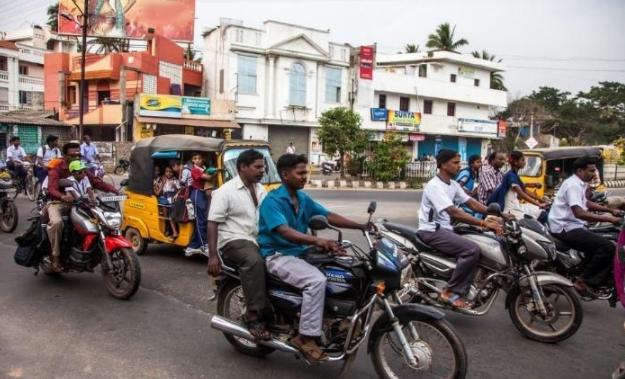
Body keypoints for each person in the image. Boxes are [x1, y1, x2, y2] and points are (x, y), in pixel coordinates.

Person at [257, 153, 372, 362]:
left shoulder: (302, 198)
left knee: (342, 269)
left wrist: (362, 226)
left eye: (305, 172)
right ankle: (305, 337)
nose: (304, 177)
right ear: (285, 174)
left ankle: (335, 321)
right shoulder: (272, 201)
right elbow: (285, 231)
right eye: (300, 173)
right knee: (315, 281)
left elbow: (328, 216)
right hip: (278, 254)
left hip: (299, 252)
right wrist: (317, 241)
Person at [417, 149, 503, 309]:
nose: (459, 166)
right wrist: (484, 224)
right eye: (455, 163)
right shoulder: (434, 186)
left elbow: (471, 202)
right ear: (443, 165)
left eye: (459, 163)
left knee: (482, 239)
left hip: (447, 228)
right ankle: (449, 292)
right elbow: (454, 212)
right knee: (471, 250)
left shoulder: (453, 184)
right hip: (431, 231)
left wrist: (498, 214)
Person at [207, 149, 270, 340]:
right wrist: (212, 256)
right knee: (254, 261)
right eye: (257, 167)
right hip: (233, 239)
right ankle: (252, 315)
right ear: (242, 167)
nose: (262, 171)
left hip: (256, 238)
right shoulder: (226, 191)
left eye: (263, 167)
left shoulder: (261, 189)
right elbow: (212, 222)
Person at [548, 156, 623, 295]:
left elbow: (586, 203)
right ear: (580, 171)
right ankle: (584, 281)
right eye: (591, 170)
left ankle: (584, 273)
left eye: (594, 170)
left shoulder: (579, 183)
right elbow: (579, 212)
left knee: (600, 242)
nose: (594, 174)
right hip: (565, 227)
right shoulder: (573, 185)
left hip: (573, 225)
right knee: (607, 247)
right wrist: (609, 218)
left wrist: (611, 210)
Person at [47, 142, 118, 272]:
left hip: (81, 203)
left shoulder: (82, 168)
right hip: (59, 203)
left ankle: (91, 251)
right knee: (57, 223)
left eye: (78, 154)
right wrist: (63, 196)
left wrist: (115, 190)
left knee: (102, 220)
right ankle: (55, 257)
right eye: (73, 154)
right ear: (65, 155)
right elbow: (51, 188)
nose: (76, 156)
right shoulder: (56, 169)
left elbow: (96, 182)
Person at [488, 151, 548, 221]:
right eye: (522, 160)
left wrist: (541, 200)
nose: (525, 162)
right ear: (516, 162)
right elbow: (521, 193)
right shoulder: (510, 175)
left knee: (542, 212)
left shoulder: (515, 175)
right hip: (510, 209)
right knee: (541, 215)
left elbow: (525, 190)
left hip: (516, 206)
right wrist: (538, 204)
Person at [185, 153, 212, 256]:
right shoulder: (195, 170)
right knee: (201, 221)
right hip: (197, 193)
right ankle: (203, 246)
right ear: (192, 160)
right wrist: (216, 172)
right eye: (195, 158)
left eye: (199, 158)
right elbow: (207, 177)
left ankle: (192, 246)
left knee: (202, 220)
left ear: (203, 159)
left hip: (203, 194)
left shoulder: (204, 168)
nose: (197, 160)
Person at [155, 166, 181, 240]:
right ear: (165, 172)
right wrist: (163, 183)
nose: (168, 173)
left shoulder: (175, 180)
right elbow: (158, 193)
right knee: (165, 213)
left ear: (173, 173)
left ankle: (172, 231)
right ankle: (167, 228)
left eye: (170, 172)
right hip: (164, 199)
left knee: (170, 215)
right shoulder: (163, 180)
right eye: (167, 171)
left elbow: (179, 189)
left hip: (172, 199)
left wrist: (176, 193)